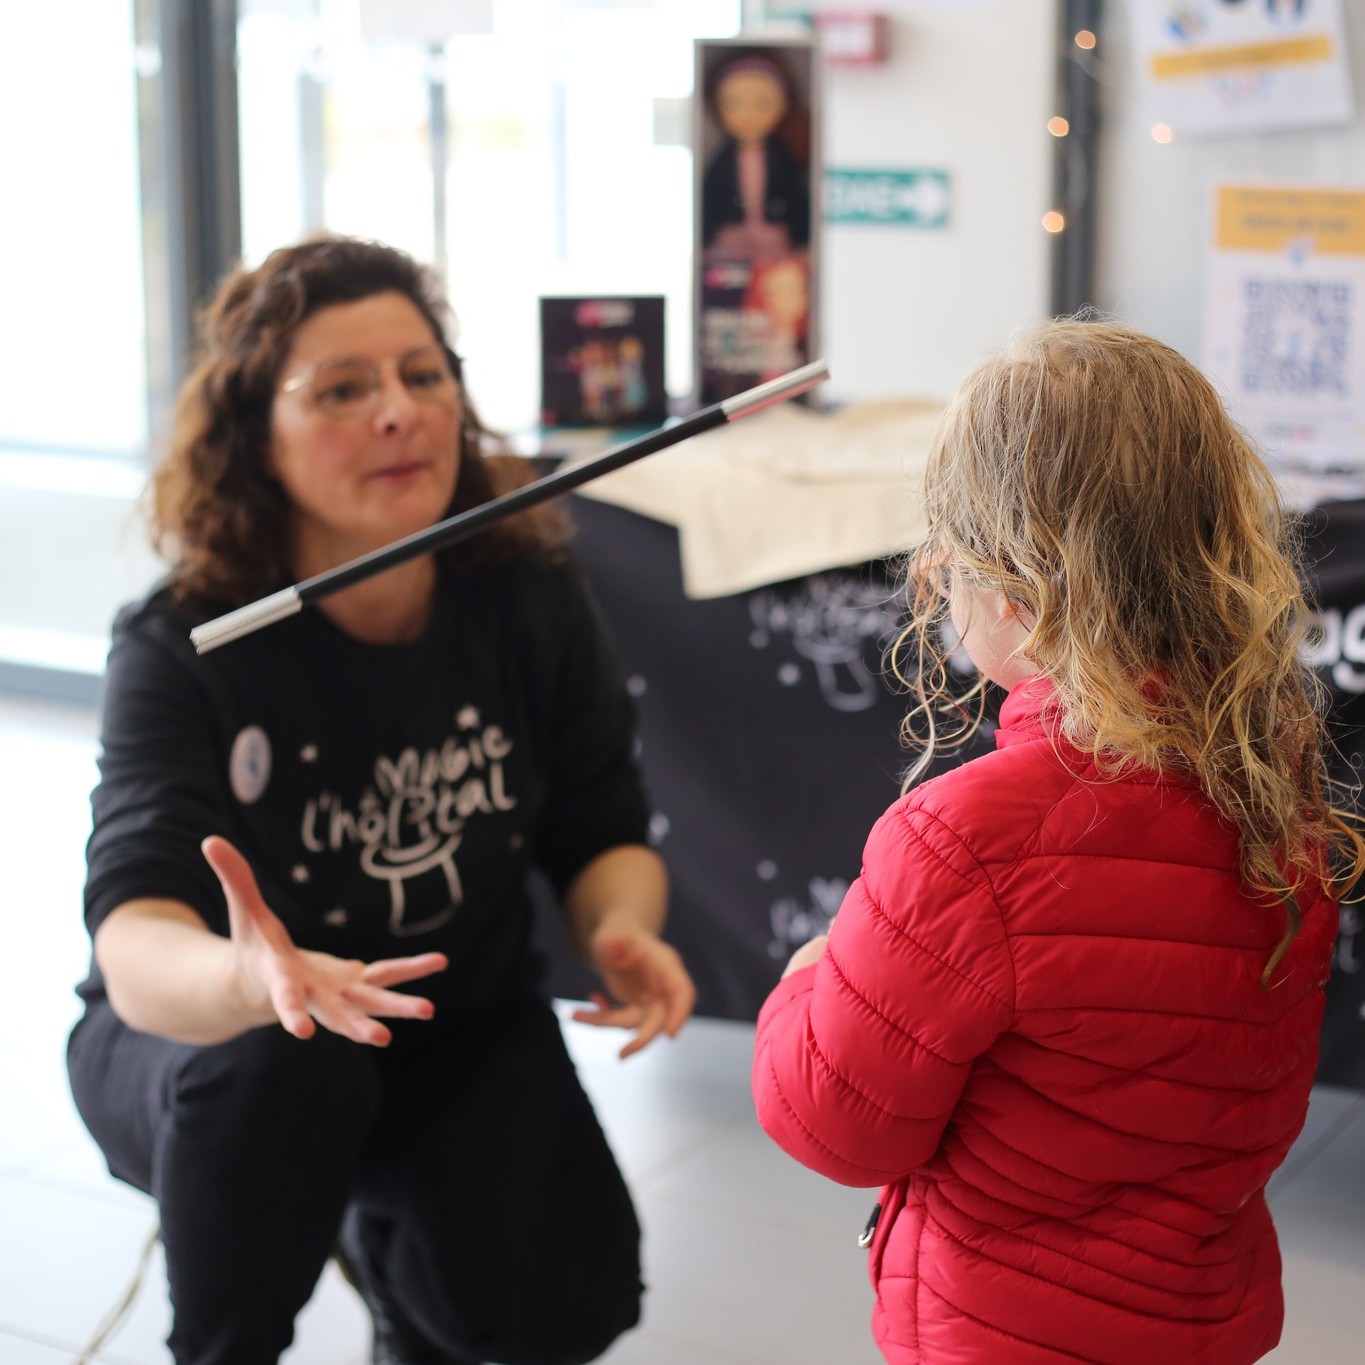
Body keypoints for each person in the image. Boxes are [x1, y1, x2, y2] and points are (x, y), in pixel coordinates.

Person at [66, 233, 696, 1365]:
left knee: (564, 1298)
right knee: (289, 1069)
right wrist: (250, 976)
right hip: (214, 1041)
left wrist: (621, 927)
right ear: (258, 438)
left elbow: (604, 824)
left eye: (422, 375)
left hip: (448, 1014)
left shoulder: (526, 589)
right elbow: (134, 944)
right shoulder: (186, 643)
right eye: (343, 390)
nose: (398, 413)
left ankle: (404, 1272)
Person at [751, 319, 1365, 1363]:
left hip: (1004, 1336)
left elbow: (840, 1127)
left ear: (1018, 594)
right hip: (1201, 1320)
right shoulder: (1273, 792)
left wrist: (811, 980)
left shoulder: (965, 841)